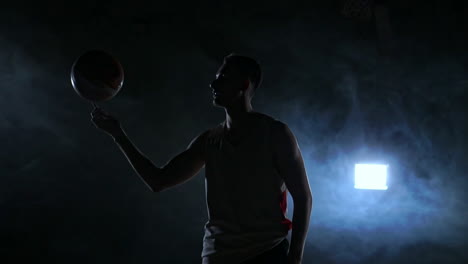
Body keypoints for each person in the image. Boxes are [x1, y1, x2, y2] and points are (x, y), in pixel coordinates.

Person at [91, 54, 312, 264]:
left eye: (223, 78)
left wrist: (295, 258)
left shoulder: (275, 134)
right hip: (219, 257)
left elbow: (303, 198)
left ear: (244, 85)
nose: (213, 84)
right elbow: (157, 181)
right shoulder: (209, 141)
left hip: (266, 253)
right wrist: (118, 134)